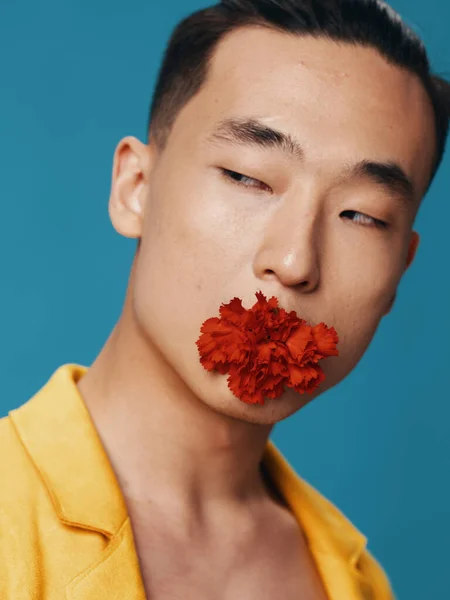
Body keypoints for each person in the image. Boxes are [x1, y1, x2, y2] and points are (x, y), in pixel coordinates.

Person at [1, 0, 449, 598]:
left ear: (400, 270)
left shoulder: (358, 583)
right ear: (135, 188)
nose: (294, 263)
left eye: (361, 215)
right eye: (247, 178)